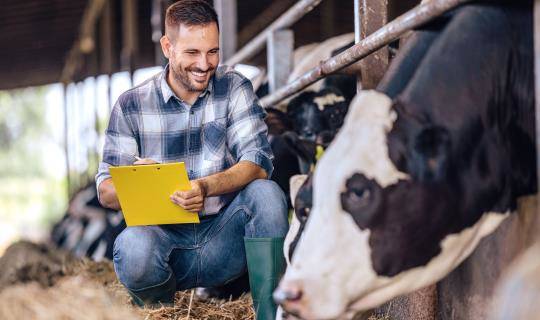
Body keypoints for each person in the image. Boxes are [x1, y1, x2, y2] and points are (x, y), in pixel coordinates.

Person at [95, 1, 288, 318]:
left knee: (267, 195)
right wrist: (142, 182)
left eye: (212, 51)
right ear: (167, 47)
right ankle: (163, 313)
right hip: (167, 246)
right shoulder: (131, 105)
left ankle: (268, 314)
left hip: (227, 237)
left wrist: (203, 187)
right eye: (192, 53)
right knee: (132, 246)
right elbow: (105, 190)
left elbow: (257, 162)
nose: (205, 64)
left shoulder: (234, 87)